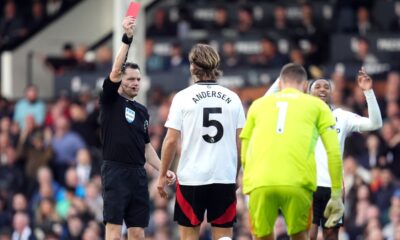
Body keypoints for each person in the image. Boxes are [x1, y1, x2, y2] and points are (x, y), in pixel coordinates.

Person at [266, 67, 382, 240]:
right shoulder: (298, 114)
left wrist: (368, 92)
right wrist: (282, 80)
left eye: (326, 87)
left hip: (333, 188)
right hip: (306, 185)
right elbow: (265, 104)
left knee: (330, 234)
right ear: (307, 91)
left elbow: (375, 123)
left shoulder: (341, 116)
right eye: (317, 86)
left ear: (332, 93)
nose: (322, 89)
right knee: (308, 235)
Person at [242, 63, 344, 240]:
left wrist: (249, 183)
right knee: (299, 235)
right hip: (298, 183)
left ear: (280, 84)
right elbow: (333, 153)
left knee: (262, 236)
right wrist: (336, 194)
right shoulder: (317, 106)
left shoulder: (258, 105)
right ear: (305, 86)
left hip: (261, 181)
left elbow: (245, 145)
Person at [157, 43, 246, 240]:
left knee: (189, 236)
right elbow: (241, 142)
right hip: (224, 175)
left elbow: (171, 141)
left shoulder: (182, 98)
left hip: (192, 177)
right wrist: (236, 172)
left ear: (192, 67)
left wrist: (162, 174)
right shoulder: (233, 98)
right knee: (224, 236)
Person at [99, 16, 175, 240]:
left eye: (138, 79)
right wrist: (127, 38)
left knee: (138, 233)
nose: (135, 83)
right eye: (131, 78)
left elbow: (146, 146)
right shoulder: (110, 100)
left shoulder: (142, 110)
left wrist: (162, 170)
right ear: (121, 81)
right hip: (115, 171)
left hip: (138, 174)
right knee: (113, 231)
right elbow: (115, 70)